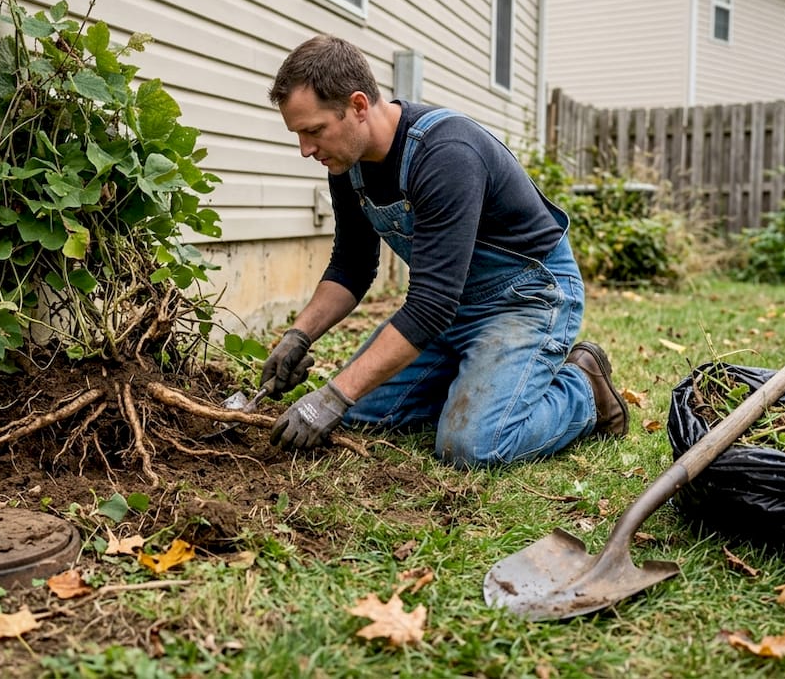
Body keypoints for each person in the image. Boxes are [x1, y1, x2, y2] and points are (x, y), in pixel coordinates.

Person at [260, 34, 627, 467]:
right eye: (299, 134)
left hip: (526, 300)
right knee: (359, 414)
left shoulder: (446, 154)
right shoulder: (347, 164)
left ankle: (583, 389)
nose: (306, 149)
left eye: (313, 131)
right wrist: (298, 335)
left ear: (358, 106)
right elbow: (352, 266)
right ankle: (479, 383)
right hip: (454, 309)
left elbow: (430, 306)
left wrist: (332, 396)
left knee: (472, 447)